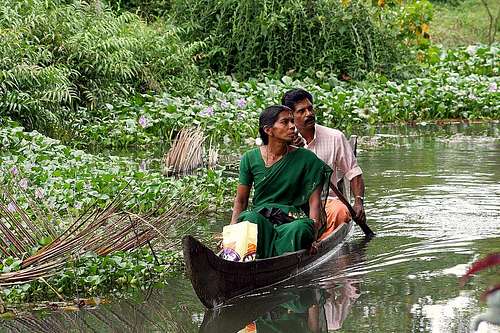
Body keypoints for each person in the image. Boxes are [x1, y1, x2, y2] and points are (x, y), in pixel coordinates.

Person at [230, 105, 332, 259]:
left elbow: (314, 203)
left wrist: (314, 236)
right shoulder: (249, 158)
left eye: (292, 121)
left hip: (292, 220)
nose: (292, 126)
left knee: (302, 228)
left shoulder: (307, 159)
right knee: (248, 219)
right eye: (285, 122)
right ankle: (248, 259)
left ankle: (277, 262)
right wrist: (232, 232)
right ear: (268, 130)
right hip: (262, 217)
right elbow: (241, 200)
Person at [282, 88, 367, 241]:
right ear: (290, 116)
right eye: (301, 111)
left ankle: (317, 244)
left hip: (326, 202)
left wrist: (359, 202)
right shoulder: (279, 141)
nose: (309, 114)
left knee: (340, 211)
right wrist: (289, 149)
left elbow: (354, 173)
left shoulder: (334, 137)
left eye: (310, 108)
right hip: (292, 204)